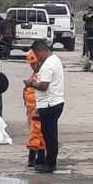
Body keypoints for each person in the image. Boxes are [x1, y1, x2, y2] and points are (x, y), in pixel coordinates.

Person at [25, 40, 65, 173]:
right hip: (54, 102)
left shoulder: (48, 64)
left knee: (49, 136)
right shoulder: (55, 59)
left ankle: (50, 163)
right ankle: (48, 161)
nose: (37, 58)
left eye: (37, 55)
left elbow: (44, 85)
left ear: (41, 51)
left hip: (49, 104)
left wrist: (30, 84)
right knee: (50, 134)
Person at [23, 50, 45, 168]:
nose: (31, 66)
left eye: (33, 63)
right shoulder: (35, 74)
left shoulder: (40, 76)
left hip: (37, 109)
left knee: (35, 133)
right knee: (38, 133)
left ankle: (32, 158)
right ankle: (40, 157)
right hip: (32, 109)